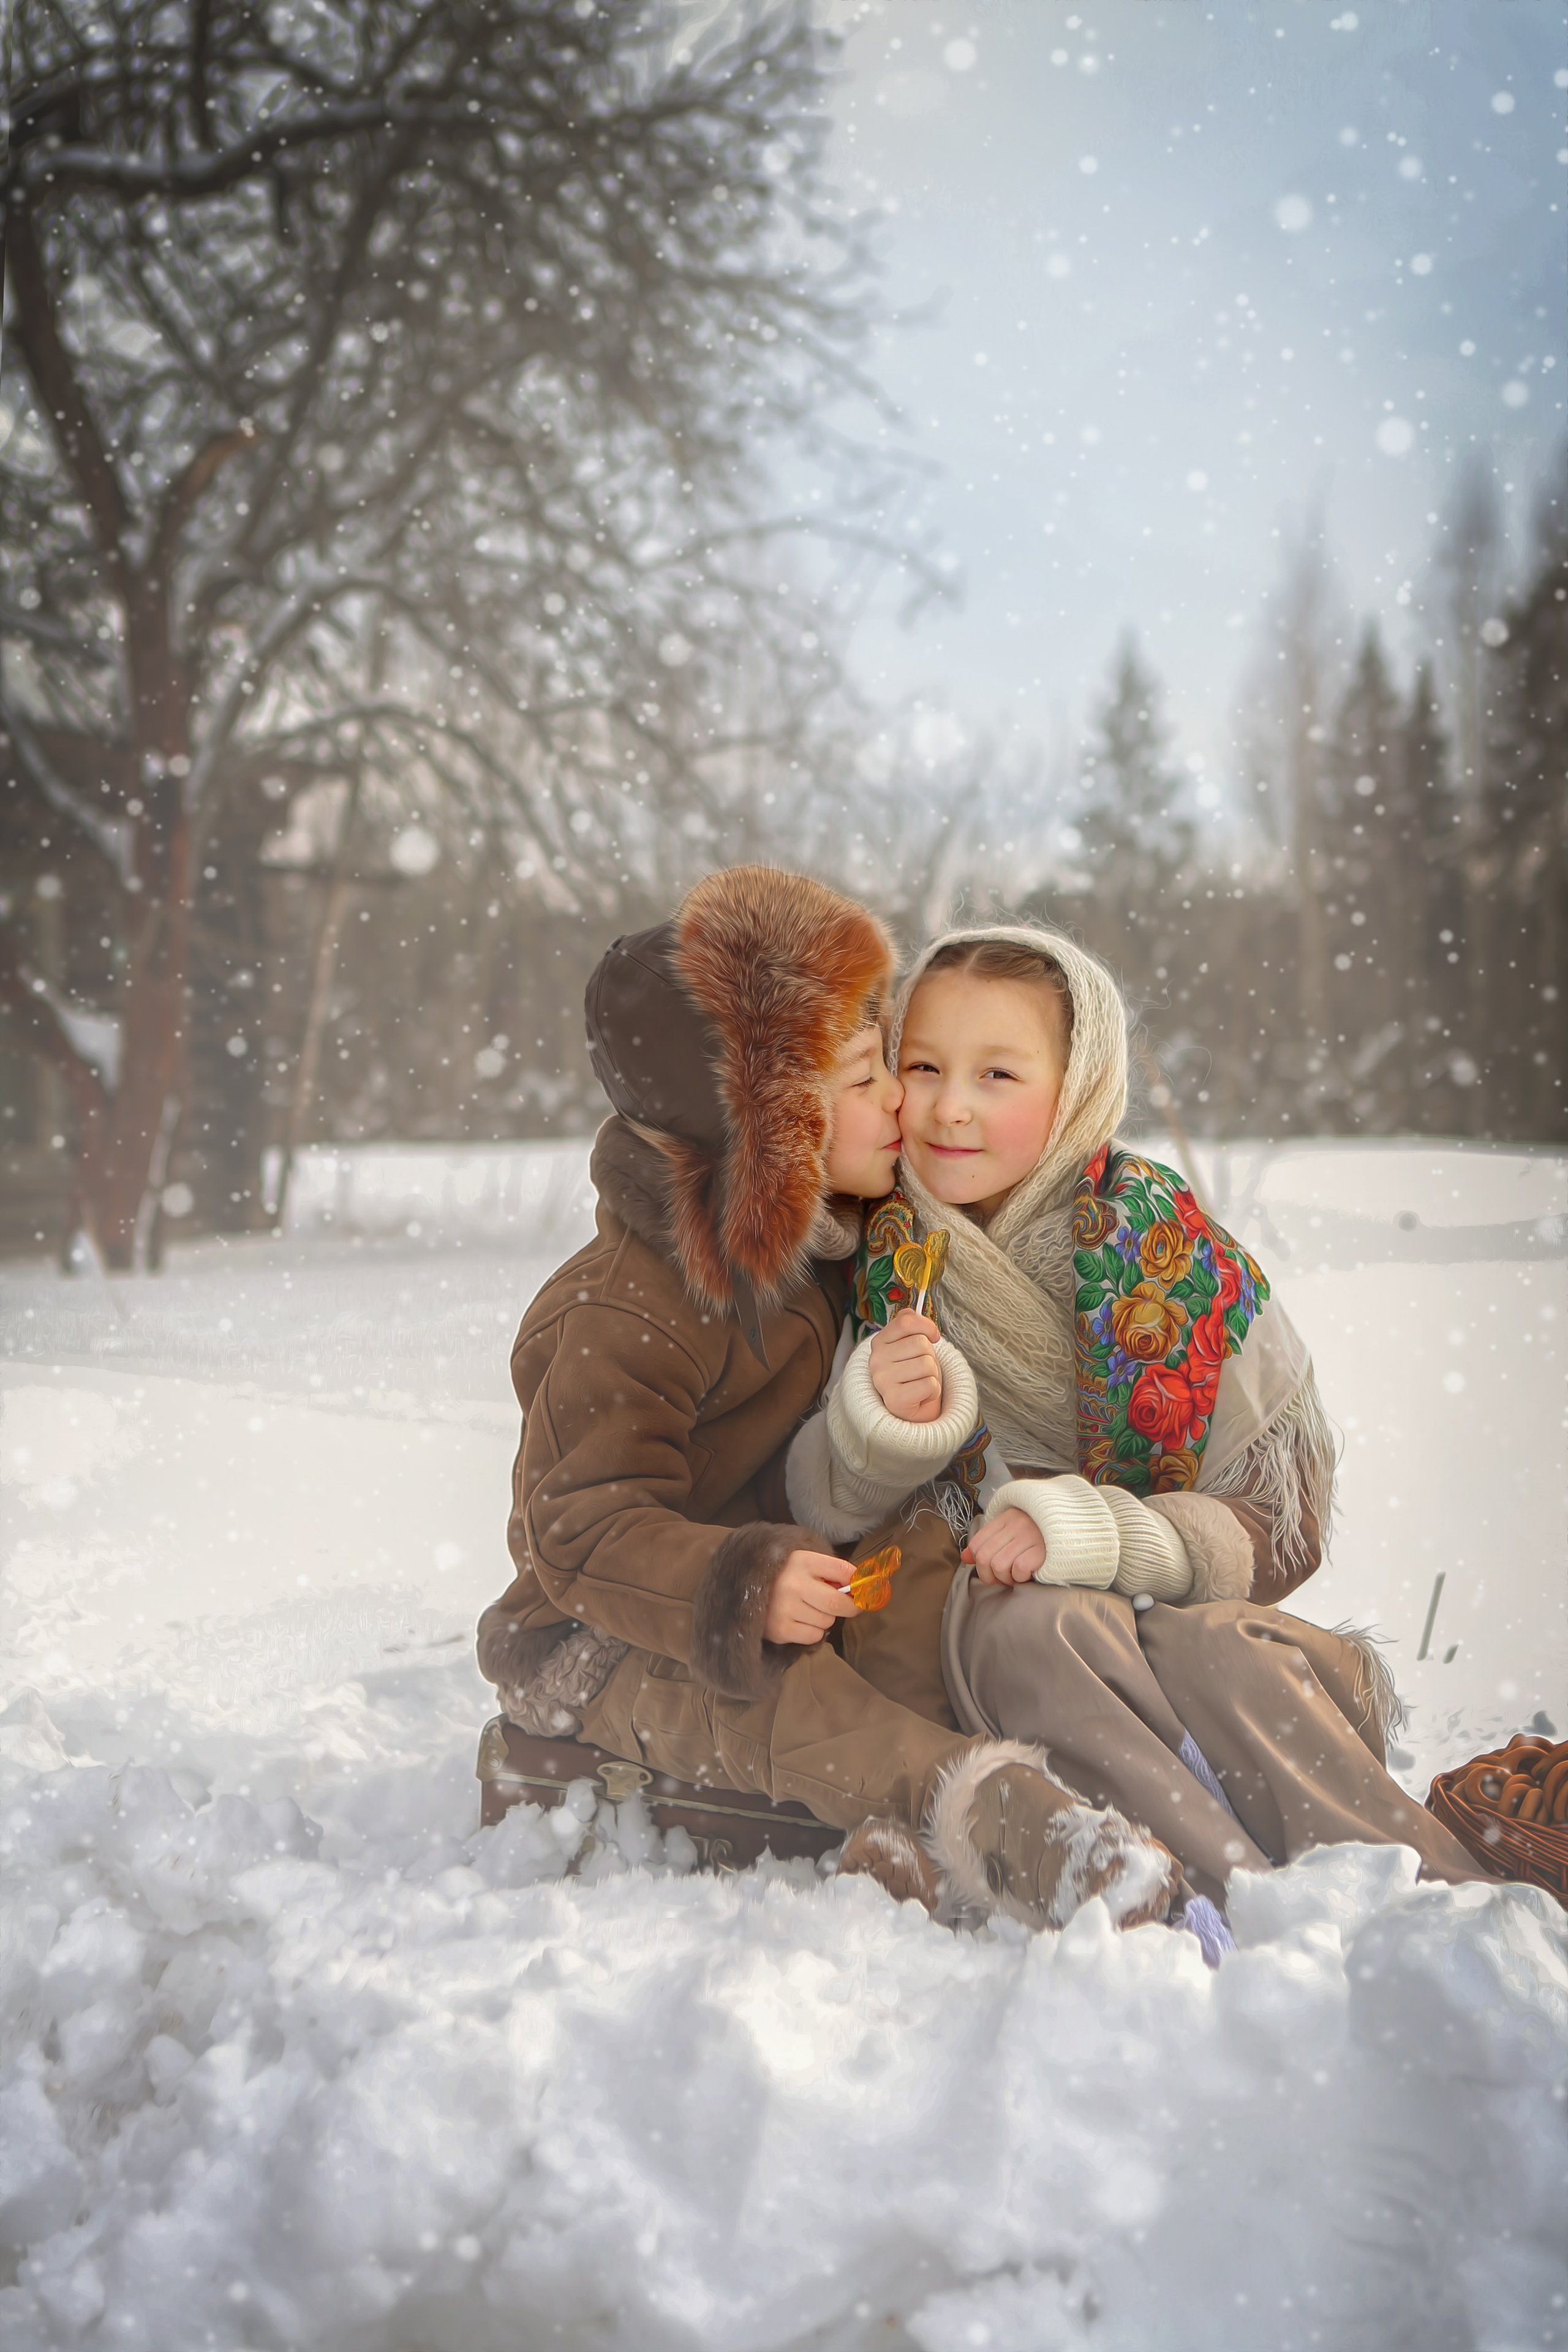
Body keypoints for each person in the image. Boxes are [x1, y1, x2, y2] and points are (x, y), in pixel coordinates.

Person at [475, 870, 1180, 1930]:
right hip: (608, 1640)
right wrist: (737, 1580)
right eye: (865, 1080)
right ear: (772, 1138)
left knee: (937, 1553)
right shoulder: (628, 1307)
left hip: (784, 1570)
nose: (902, 1095)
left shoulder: (829, 1241)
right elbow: (575, 1530)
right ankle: (1009, 1819)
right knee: (781, 1696)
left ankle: (926, 1833)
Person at [787, 922, 1485, 1908]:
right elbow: (818, 1505)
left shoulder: (1170, 1256)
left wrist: (1099, 1533)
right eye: (925, 1065)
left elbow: (1280, 1526)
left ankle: (1434, 1891)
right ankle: (1219, 1896)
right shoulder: (874, 1256)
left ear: (1077, 1088)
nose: (949, 1108)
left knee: (1215, 1659)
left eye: (998, 1076)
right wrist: (877, 1426)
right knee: (1036, 1625)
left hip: (1165, 1619)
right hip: (962, 1637)